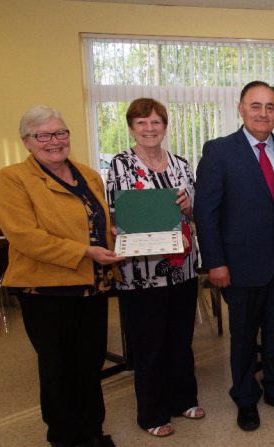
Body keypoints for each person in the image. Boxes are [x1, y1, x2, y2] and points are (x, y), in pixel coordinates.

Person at [0, 106, 123, 447]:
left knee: (89, 364)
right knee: (57, 368)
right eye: (44, 135)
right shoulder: (13, 178)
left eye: (61, 133)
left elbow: (96, 221)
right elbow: (24, 236)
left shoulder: (87, 174)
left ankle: (93, 432)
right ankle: (65, 438)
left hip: (93, 287)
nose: (55, 141)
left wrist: (113, 235)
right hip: (46, 291)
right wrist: (84, 251)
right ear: (27, 142)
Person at [194, 81, 274, 432]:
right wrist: (215, 261)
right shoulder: (219, 151)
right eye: (256, 105)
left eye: (270, 106)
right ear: (241, 108)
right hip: (239, 264)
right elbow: (206, 212)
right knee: (243, 337)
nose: (263, 113)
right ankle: (245, 397)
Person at [105, 98, 203, 437]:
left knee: (180, 339)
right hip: (142, 272)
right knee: (149, 344)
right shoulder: (121, 164)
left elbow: (194, 213)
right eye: (142, 123)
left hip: (183, 267)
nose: (150, 128)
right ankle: (152, 413)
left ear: (165, 126)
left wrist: (190, 206)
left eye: (156, 122)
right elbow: (116, 215)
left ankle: (183, 398)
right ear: (132, 127)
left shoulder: (181, 163)